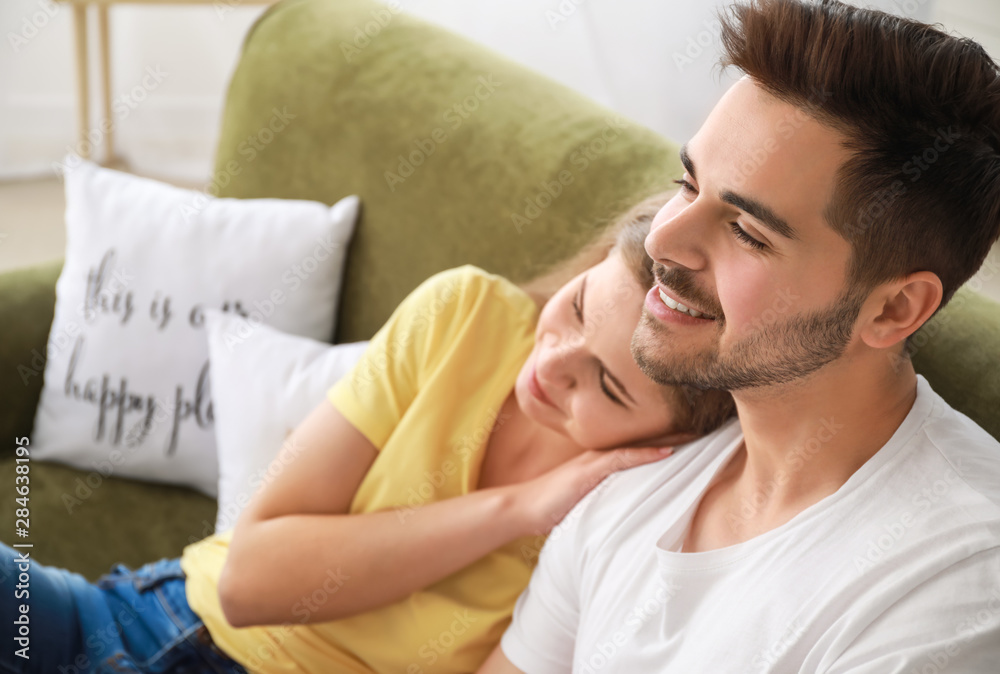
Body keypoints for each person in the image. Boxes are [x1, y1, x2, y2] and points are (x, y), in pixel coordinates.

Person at [0, 193, 735, 674]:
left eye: (607, 385)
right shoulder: (466, 317)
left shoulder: (633, 513)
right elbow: (250, 581)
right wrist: (517, 508)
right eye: (577, 308)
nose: (553, 364)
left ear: (670, 434)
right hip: (151, 618)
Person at [481, 1, 1000, 672]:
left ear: (895, 309)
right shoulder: (629, 490)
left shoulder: (949, 587)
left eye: (746, 232)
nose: (663, 241)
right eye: (686, 184)